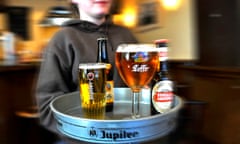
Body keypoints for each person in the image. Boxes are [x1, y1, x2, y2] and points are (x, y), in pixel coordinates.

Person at [36, 0, 138, 143]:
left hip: (130, 136)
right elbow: (48, 107)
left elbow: (146, 92)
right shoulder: (62, 40)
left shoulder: (127, 36)